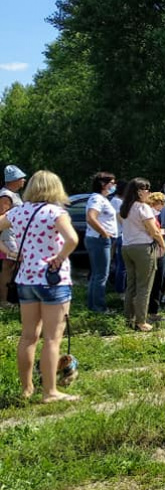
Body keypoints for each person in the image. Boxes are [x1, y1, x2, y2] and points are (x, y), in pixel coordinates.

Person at [0, 170, 79, 403]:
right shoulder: (56, 212)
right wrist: (60, 257)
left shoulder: (18, 212)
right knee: (52, 339)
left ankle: (27, 389)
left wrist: (10, 252)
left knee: (28, 337)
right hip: (53, 280)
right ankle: (50, 392)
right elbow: (73, 239)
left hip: (25, 279)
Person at [119, 179, 165, 332]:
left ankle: (128, 318)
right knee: (144, 286)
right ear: (139, 191)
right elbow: (153, 230)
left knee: (131, 285)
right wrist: (162, 243)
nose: (149, 193)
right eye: (147, 190)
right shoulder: (143, 208)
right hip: (143, 248)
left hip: (127, 247)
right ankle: (141, 321)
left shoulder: (125, 207)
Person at [85, 171, 118, 313]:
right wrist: (104, 233)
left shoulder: (102, 199)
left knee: (97, 274)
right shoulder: (97, 199)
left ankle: (93, 305)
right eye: (112, 183)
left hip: (99, 239)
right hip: (99, 240)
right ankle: (99, 307)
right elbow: (91, 217)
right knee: (101, 275)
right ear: (103, 184)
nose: (114, 186)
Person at [0, 164, 27, 305]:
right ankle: (4, 300)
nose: (24, 180)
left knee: (13, 266)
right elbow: (1, 216)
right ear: (14, 180)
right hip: (8, 237)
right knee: (8, 267)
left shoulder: (13, 194)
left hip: (15, 236)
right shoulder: (6, 196)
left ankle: (11, 297)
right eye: (21, 178)